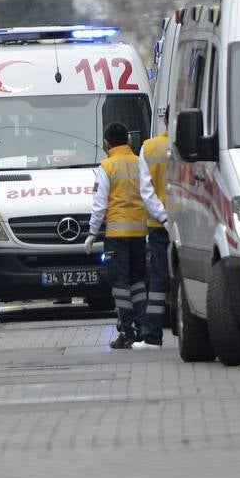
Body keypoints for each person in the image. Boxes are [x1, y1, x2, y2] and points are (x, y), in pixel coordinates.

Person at [87, 122, 149, 349]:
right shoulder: (139, 163)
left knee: (120, 284)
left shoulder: (107, 166)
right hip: (139, 232)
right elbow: (148, 195)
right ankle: (143, 327)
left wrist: (93, 232)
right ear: (129, 141)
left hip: (116, 234)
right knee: (138, 282)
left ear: (107, 143)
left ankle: (127, 332)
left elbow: (99, 205)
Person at [136, 123, 171, 348]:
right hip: (192, 221)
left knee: (159, 278)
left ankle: (153, 336)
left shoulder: (149, 148)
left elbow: (146, 192)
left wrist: (164, 217)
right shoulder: (194, 143)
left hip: (160, 225)